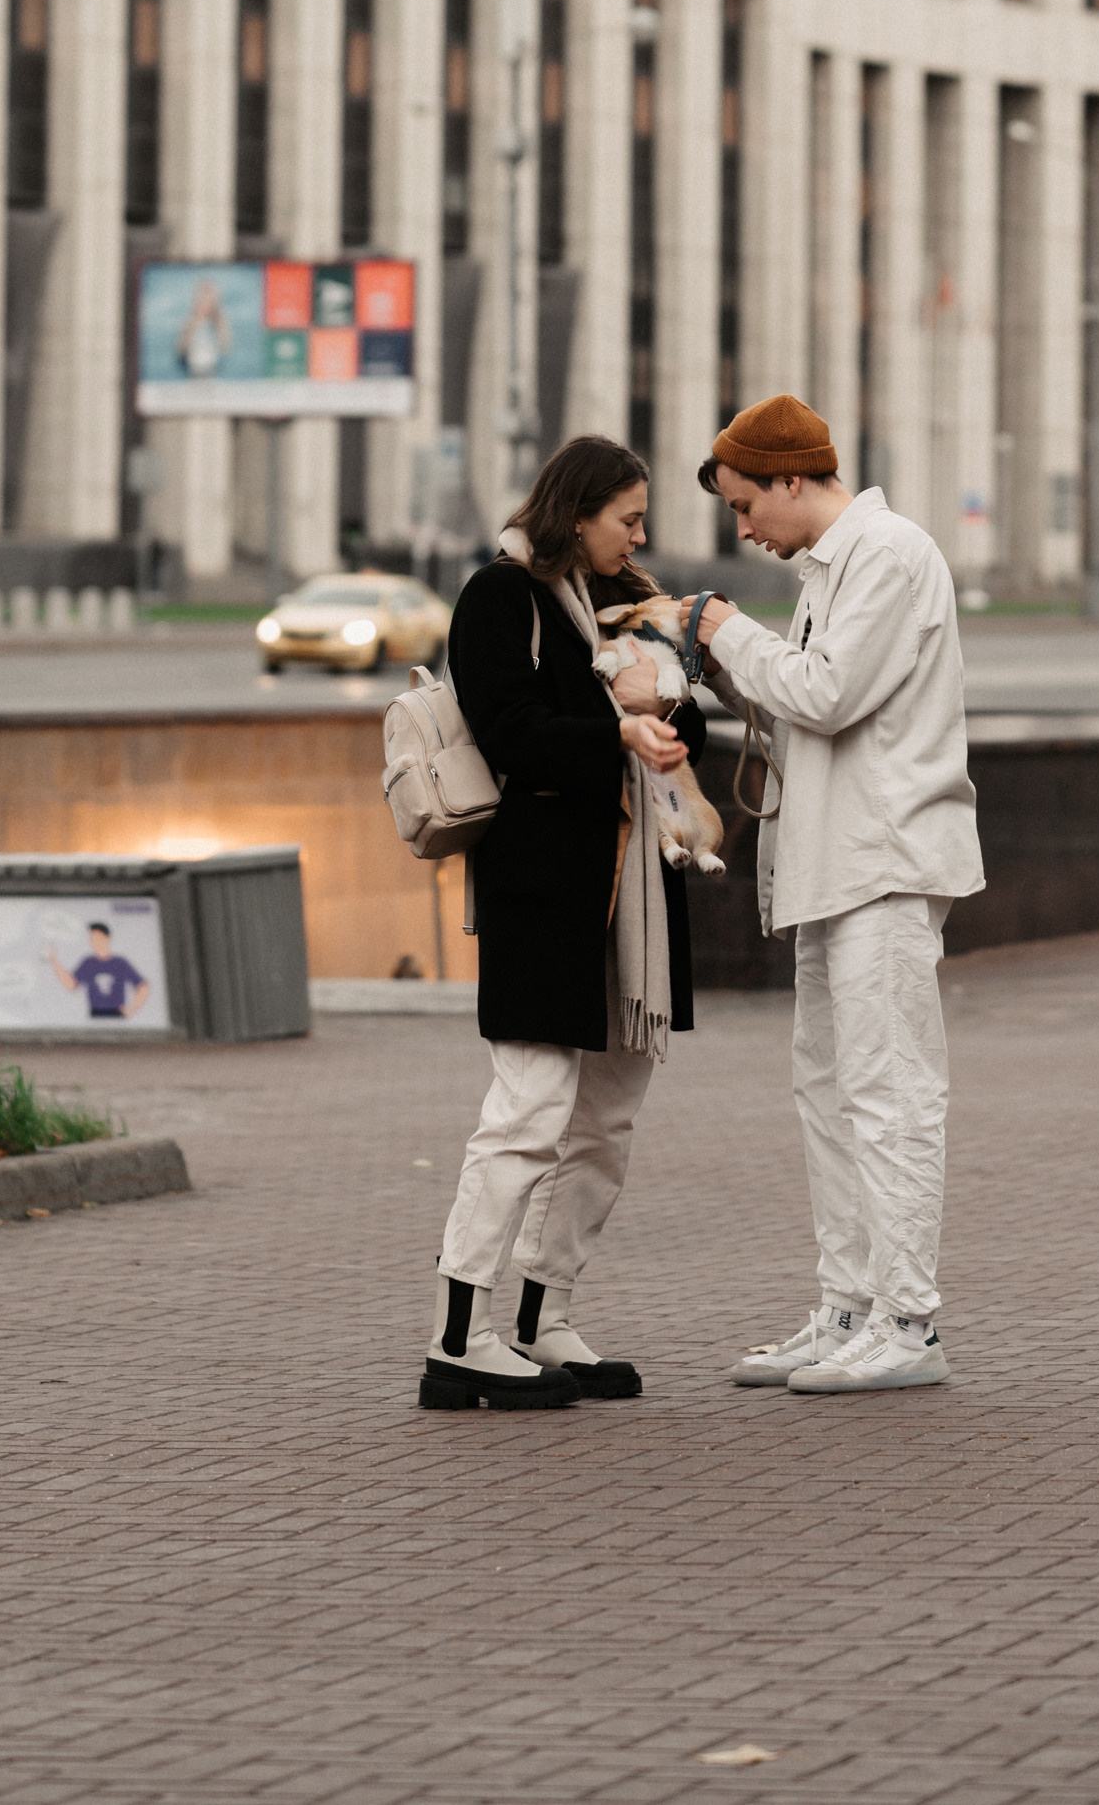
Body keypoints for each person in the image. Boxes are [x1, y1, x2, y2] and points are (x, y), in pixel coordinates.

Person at [682, 395, 983, 1395]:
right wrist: (724, 664)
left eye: (742, 505)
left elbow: (825, 692)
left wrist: (723, 630)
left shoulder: (888, 553)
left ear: (792, 480)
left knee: (888, 1094)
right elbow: (807, 698)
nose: (742, 529)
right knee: (829, 1091)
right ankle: (849, 1306)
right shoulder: (833, 568)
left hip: (884, 862)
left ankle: (908, 1320)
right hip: (834, 864)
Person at [421, 433, 708, 1412]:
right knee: (529, 1110)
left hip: (632, 893)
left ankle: (544, 1315)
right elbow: (508, 733)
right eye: (626, 515)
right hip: (544, 891)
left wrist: (663, 706)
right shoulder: (496, 596)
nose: (639, 532)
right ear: (575, 511)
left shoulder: (632, 599)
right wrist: (616, 726)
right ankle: (458, 1335)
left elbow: (690, 720)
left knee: (606, 1118)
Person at [46, 920, 150, 1021]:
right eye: (92, 939)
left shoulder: (120, 963)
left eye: (98, 938)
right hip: (95, 1016)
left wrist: (132, 1009)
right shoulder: (88, 963)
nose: (94, 942)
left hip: (117, 1017)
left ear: (107, 939)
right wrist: (54, 961)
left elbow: (143, 986)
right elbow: (71, 984)